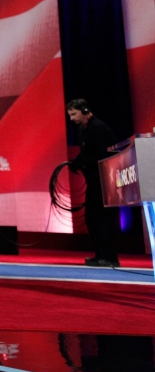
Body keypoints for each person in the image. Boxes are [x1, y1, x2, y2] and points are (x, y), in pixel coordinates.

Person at [67, 99, 120, 267]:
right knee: (92, 219)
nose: (72, 119)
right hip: (94, 182)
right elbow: (87, 153)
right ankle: (101, 254)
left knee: (102, 220)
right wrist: (76, 162)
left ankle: (110, 257)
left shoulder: (98, 129)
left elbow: (104, 155)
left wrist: (84, 162)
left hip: (105, 183)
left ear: (85, 110)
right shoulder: (84, 131)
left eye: (74, 114)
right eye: (70, 115)